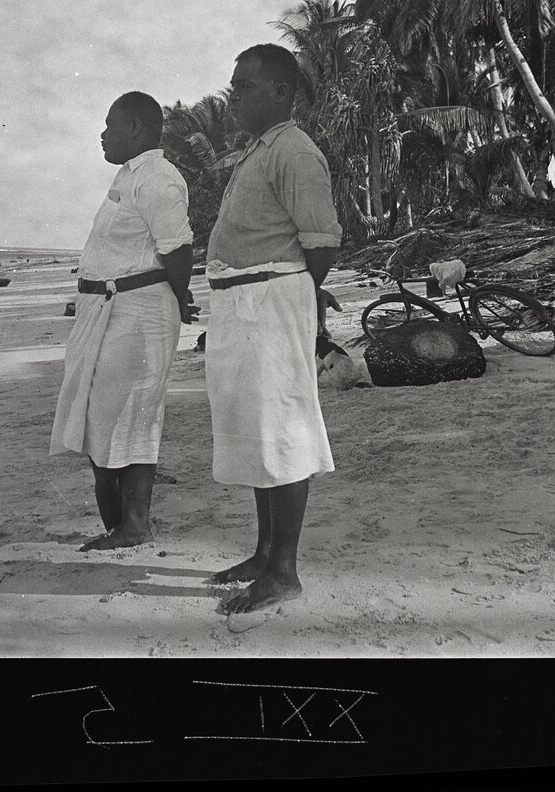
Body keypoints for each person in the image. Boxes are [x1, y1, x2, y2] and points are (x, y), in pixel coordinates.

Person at [205, 43, 343, 613]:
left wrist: (292, 299)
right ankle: (264, 555)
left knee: (282, 430)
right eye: (234, 85)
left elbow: (323, 243)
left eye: (245, 86)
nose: (234, 96)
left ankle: (284, 570)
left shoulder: (295, 152)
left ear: (281, 93)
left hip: (271, 300)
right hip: (245, 303)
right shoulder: (260, 149)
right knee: (259, 430)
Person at [49, 91, 197, 551]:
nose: (103, 133)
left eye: (111, 123)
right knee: (99, 415)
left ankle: (134, 525)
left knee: (130, 415)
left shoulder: (158, 178)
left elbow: (179, 249)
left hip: (137, 315)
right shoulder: (130, 175)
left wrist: (178, 295)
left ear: (136, 128)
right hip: (107, 312)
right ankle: (119, 524)